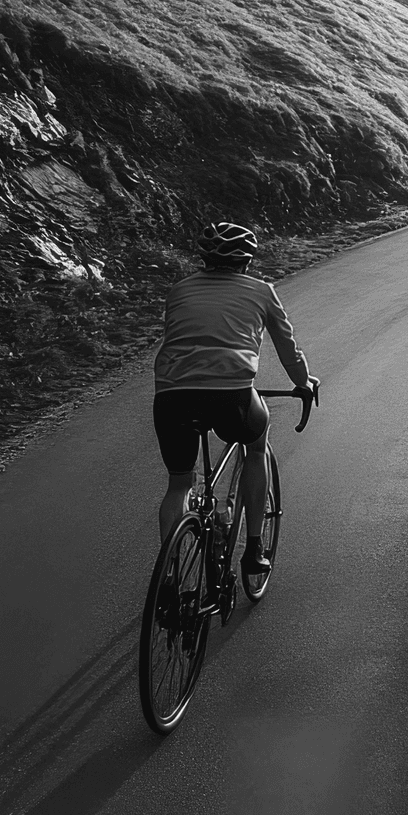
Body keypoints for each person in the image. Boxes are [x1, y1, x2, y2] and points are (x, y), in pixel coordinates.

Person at [152, 221, 317, 575]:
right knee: (256, 447)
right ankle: (254, 549)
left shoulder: (179, 290)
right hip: (231, 395)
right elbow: (288, 349)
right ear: (248, 261)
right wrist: (304, 382)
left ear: (204, 259)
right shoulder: (261, 291)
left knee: (179, 484)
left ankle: (168, 577)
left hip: (171, 395)